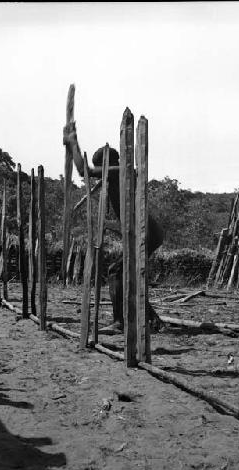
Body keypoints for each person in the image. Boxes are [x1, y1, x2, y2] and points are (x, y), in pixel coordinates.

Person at [63, 122, 164, 333]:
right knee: (128, 273)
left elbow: (84, 171)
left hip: (147, 232)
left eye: (101, 168)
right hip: (144, 230)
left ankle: (121, 322)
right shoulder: (118, 175)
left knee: (116, 271)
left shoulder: (121, 169)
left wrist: (73, 142)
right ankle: (153, 320)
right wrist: (109, 225)